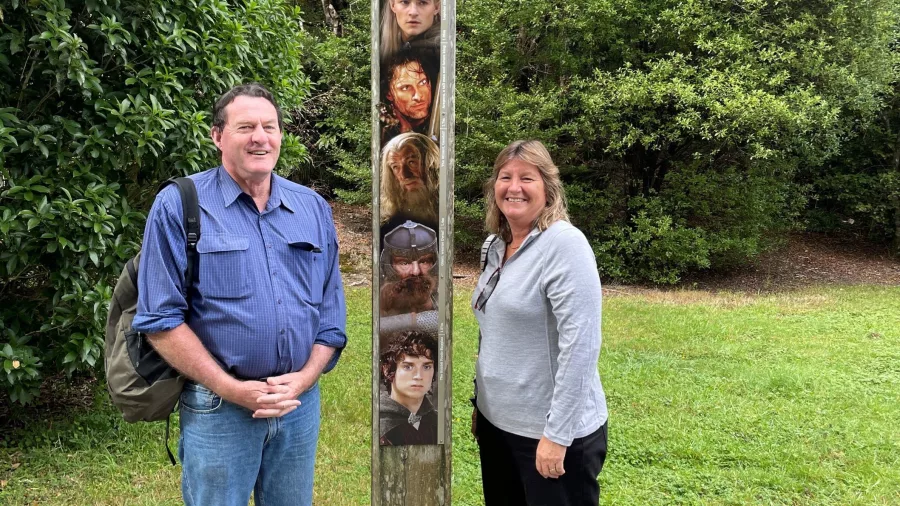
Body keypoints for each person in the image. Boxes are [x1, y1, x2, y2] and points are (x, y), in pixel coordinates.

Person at [132, 83, 347, 506]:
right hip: (219, 409)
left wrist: (303, 381)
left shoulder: (312, 207)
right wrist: (231, 389)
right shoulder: (180, 204)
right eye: (245, 126)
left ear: (282, 135)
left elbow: (331, 314)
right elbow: (160, 319)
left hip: (297, 406)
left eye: (270, 126)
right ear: (217, 136)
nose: (260, 137)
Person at [471, 140, 608, 505]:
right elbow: (492, 330)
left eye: (526, 178)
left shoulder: (564, 245)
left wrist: (558, 435)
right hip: (497, 426)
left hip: (547, 435)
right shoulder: (495, 246)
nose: (514, 187)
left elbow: (581, 345)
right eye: (505, 177)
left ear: (548, 188)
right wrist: (482, 404)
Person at [379, 330, 438, 445]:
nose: (418, 376)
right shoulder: (377, 422)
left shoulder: (438, 422)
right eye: (408, 367)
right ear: (387, 370)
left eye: (426, 367)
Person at [379, 132, 439, 229]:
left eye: (411, 162)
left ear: (431, 163)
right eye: (395, 167)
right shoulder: (388, 219)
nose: (404, 175)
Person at [379, 220, 437, 317]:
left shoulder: (442, 299)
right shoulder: (381, 300)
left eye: (424, 262)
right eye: (404, 263)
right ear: (390, 265)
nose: (416, 271)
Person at [380, 49, 438, 143]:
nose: (418, 96)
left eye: (422, 82)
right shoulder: (384, 131)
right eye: (406, 88)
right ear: (389, 94)